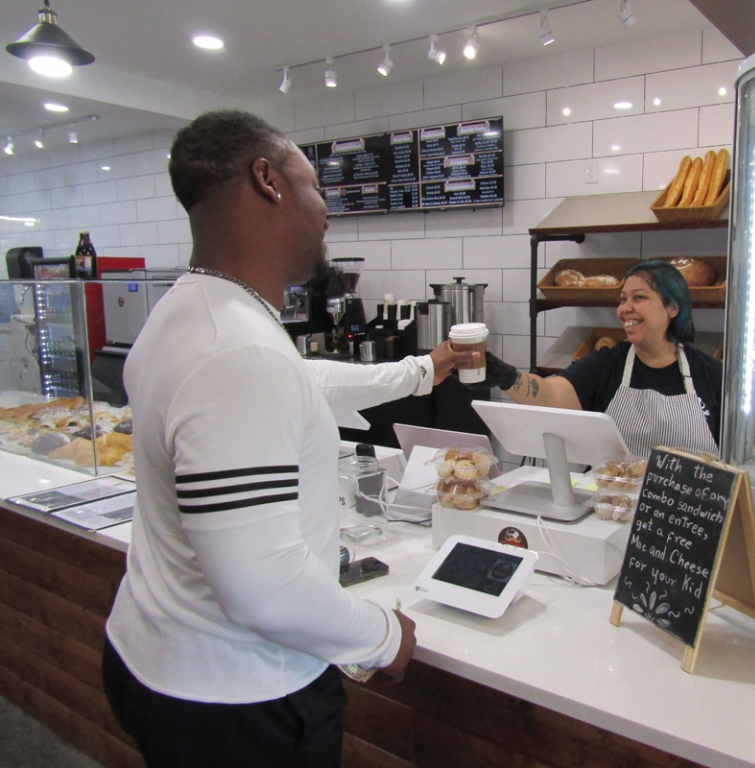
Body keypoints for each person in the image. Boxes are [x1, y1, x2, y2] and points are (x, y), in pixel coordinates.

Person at [102, 110, 476, 768]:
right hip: (238, 703)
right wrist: (383, 636)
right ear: (268, 180)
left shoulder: (192, 313)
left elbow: (302, 383)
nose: (326, 208)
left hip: (159, 660)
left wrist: (424, 367)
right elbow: (262, 587)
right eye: (314, 183)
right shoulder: (237, 352)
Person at [477, 260, 722, 458]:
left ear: (672, 307)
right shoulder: (606, 365)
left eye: (639, 297)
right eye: (623, 298)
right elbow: (551, 394)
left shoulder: (711, 374)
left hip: (686, 514)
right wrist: (507, 377)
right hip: (613, 506)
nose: (625, 308)